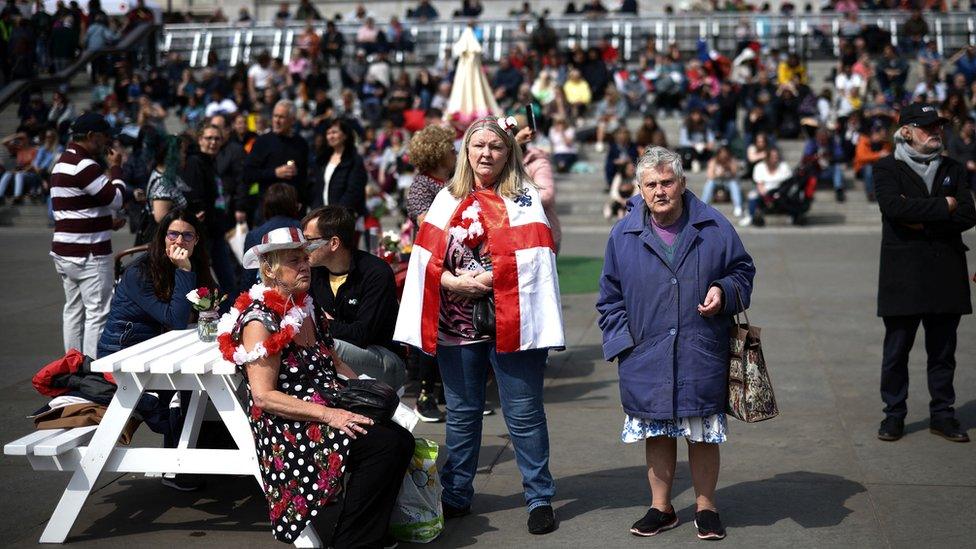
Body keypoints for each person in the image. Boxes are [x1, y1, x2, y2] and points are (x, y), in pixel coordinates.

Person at [393, 116, 564, 535]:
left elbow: (536, 259)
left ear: (509, 153)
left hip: (514, 324)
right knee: (463, 414)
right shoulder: (446, 198)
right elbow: (424, 256)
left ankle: (539, 496)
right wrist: (450, 279)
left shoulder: (524, 198)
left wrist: (489, 278)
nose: (486, 153)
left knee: (524, 415)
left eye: (496, 146)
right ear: (466, 152)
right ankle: (456, 493)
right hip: (456, 325)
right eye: (478, 146)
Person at [597, 146, 755, 542]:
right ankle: (661, 507)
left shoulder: (714, 226)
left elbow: (742, 271)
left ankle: (706, 506)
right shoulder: (623, 234)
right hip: (645, 353)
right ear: (639, 189)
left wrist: (723, 290)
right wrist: (622, 343)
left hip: (701, 349)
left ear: (683, 184)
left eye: (667, 182)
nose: (660, 191)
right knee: (658, 431)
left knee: (702, 431)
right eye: (651, 184)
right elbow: (609, 296)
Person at [223, 227, 414, 545]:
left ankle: (369, 532)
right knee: (382, 445)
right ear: (269, 269)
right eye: (293, 260)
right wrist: (331, 416)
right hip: (290, 424)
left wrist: (368, 394)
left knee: (398, 437)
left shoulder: (304, 306)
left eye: (305, 258)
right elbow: (264, 396)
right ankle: (353, 541)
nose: (304, 265)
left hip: (326, 400)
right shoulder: (260, 321)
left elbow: (336, 363)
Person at [874, 103, 976, 444]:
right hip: (903, 276)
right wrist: (943, 206)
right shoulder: (887, 168)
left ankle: (943, 415)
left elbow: (967, 215)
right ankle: (894, 415)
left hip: (946, 273)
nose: (937, 132)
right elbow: (893, 208)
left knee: (943, 352)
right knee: (896, 351)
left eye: (940, 126)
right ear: (906, 131)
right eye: (928, 126)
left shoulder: (954, 168)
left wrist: (920, 218)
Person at [98, 209, 214, 489]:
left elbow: (208, 304)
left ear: (196, 240)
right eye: (173, 234)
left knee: (195, 387)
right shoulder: (140, 271)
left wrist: (207, 303)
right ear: (162, 238)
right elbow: (175, 320)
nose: (180, 241)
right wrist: (185, 273)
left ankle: (182, 463)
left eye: (188, 235)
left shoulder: (195, 265)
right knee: (184, 393)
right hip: (124, 351)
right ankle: (178, 464)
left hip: (159, 348)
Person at [302, 206, 406, 390]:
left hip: (386, 362)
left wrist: (322, 323)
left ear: (334, 243)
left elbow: (362, 335)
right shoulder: (314, 273)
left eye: (309, 240)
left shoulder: (376, 273)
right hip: (341, 357)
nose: (304, 247)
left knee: (327, 344)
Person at [50, 112, 127, 357]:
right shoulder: (84, 165)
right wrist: (116, 169)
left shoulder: (62, 161)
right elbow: (115, 199)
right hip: (88, 253)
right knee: (98, 312)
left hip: (65, 251)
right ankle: (92, 370)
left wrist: (105, 222)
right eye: (105, 138)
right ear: (92, 136)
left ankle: (72, 364)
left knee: (73, 310)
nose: (108, 144)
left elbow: (75, 210)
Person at [243, 99, 310, 218]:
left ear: (292, 120)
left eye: (282, 117)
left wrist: (302, 200)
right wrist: (275, 173)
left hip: (294, 210)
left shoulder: (301, 143)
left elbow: (305, 177)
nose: (277, 121)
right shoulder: (262, 142)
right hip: (268, 210)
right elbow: (248, 174)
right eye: (275, 116)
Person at [243, 182, 303, 283]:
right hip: (301, 288)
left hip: (267, 289)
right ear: (293, 204)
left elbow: (249, 276)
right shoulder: (302, 228)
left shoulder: (254, 235)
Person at [310, 118, 367, 217]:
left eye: (334, 132)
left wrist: (337, 213)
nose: (330, 136)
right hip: (323, 216)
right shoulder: (322, 160)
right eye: (328, 133)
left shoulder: (354, 160)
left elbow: (353, 191)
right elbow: (316, 188)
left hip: (343, 218)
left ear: (345, 135)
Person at [741, 147, 792, 227]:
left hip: (781, 192)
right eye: (773, 157)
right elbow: (759, 185)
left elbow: (788, 183)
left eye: (776, 156)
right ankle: (751, 216)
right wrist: (767, 197)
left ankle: (792, 215)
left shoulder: (784, 167)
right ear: (767, 158)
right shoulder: (759, 167)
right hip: (765, 192)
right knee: (752, 195)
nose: (775, 159)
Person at [701, 146, 744, 218]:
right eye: (722, 153)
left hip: (728, 182)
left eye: (725, 153)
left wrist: (727, 171)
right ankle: (703, 206)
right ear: (718, 154)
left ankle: (738, 206)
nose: (723, 155)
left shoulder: (731, 161)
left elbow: (735, 174)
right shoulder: (713, 161)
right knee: (710, 183)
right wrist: (718, 174)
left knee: (734, 183)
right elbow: (710, 175)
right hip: (716, 181)